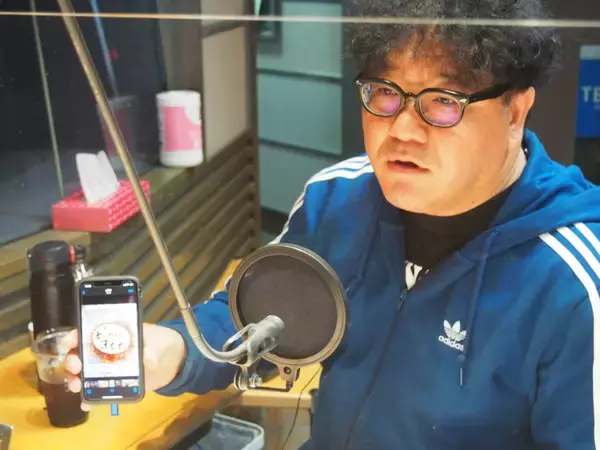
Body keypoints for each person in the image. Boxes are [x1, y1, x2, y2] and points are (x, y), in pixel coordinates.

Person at [65, 0, 600, 448]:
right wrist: (171, 349)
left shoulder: (574, 287)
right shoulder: (336, 199)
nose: (402, 130)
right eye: (385, 92)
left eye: (442, 101)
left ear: (515, 111)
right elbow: (258, 320)